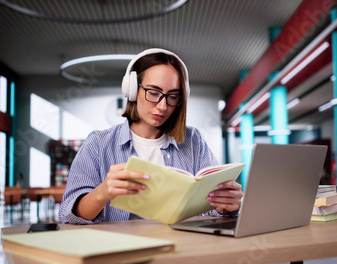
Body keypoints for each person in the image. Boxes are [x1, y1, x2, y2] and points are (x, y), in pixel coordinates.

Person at [59, 48, 243, 224]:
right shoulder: (98, 144)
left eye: (172, 96)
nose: (163, 106)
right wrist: (102, 192)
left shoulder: (193, 140)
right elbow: (69, 215)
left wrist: (226, 205)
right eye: (154, 93)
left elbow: (212, 208)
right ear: (132, 90)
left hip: (182, 247)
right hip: (121, 249)